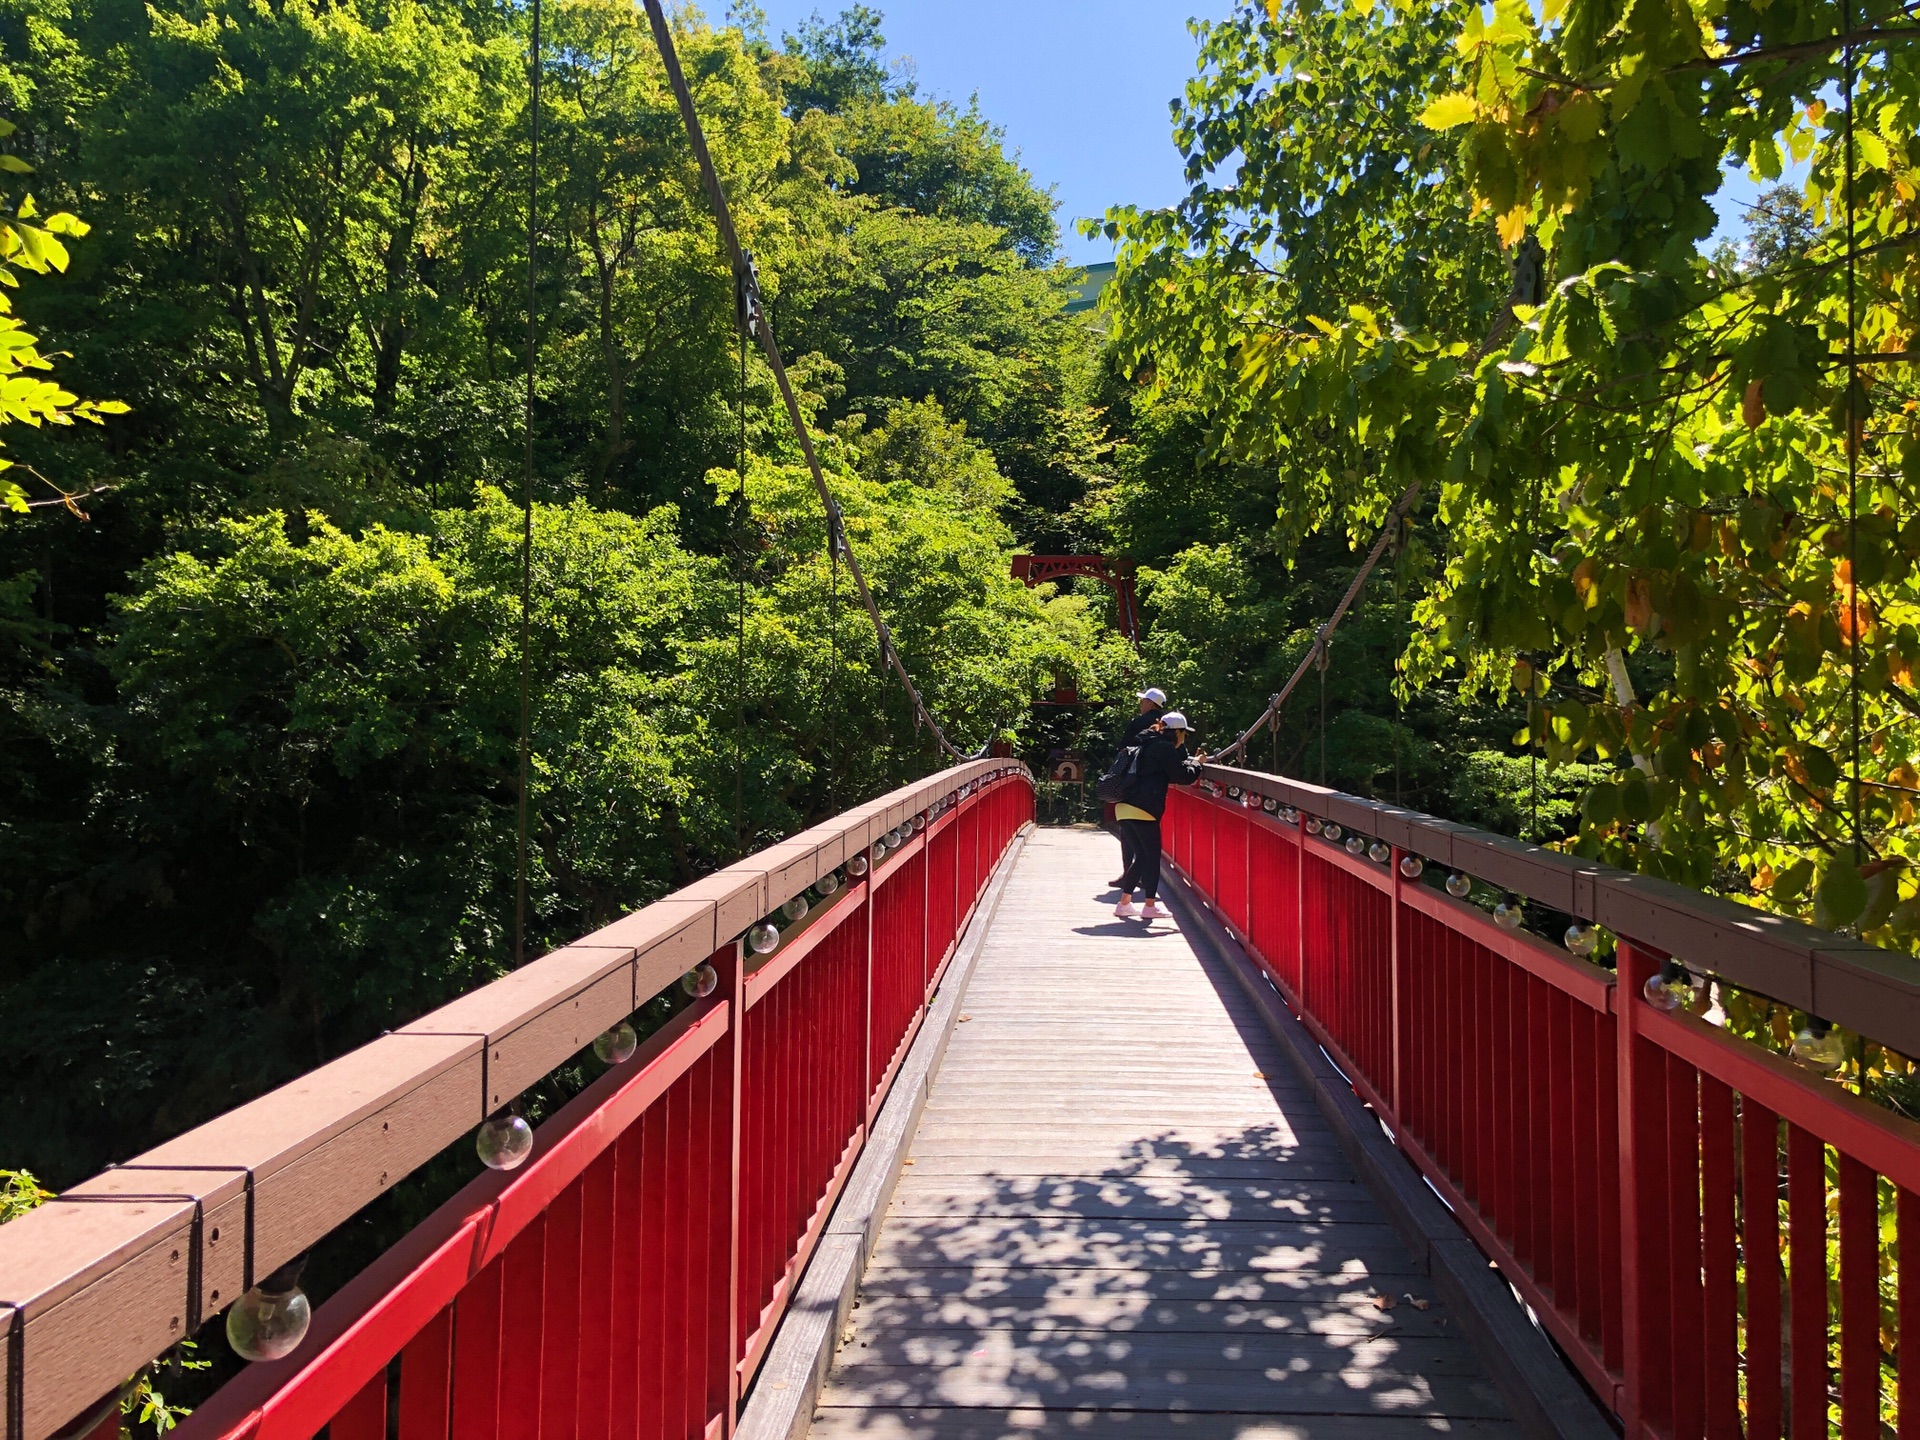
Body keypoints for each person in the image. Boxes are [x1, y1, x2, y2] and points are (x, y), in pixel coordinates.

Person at [1113, 712, 1206, 921]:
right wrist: (1198, 764)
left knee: (1142, 856)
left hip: (1124, 806)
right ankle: (1149, 906)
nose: (1184, 739)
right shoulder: (1163, 747)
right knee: (1152, 857)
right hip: (1144, 809)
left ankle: (1124, 903)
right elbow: (1182, 776)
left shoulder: (1146, 743)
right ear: (1177, 732)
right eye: (1184, 734)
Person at [1110, 687, 1168, 886]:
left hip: (1132, 786)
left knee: (1128, 832)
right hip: (1156, 791)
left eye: (1143, 701)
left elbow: (1123, 752)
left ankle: (1129, 874)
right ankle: (1145, 877)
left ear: (1150, 703)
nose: (1140, 704)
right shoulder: (1167, 725)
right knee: (1149, 836)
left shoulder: (1137, 724)